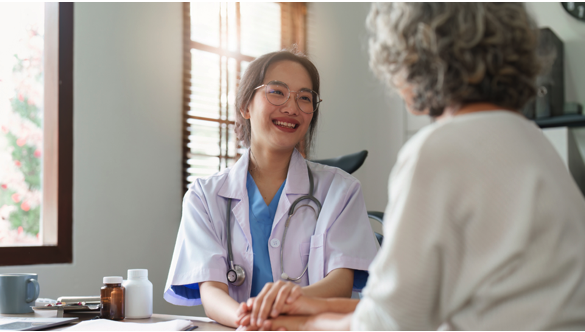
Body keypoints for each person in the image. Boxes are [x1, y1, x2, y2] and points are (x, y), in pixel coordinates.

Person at [238, 3, 585, 330]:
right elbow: (413, 306)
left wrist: (300, 323)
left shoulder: (440, 149)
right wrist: (310, 304)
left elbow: (390, 323)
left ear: (416, 58)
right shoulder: (533, 142)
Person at [163, 50, 379, 328]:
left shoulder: (341, 190)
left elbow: (340, 282)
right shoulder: (204, 196)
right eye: (277, 92)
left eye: (304, 97)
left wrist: (281, 307)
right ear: (245, 106)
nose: (291, 108)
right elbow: (212, 291)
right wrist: (250, 322)